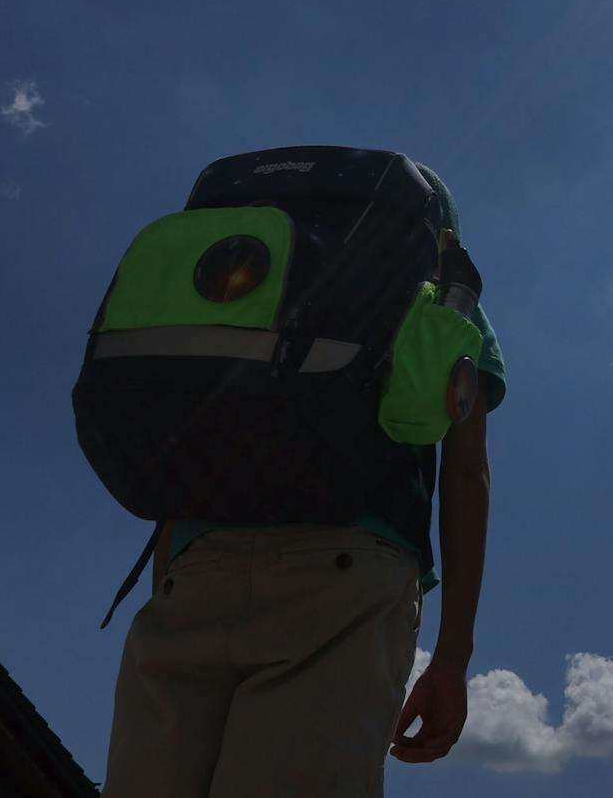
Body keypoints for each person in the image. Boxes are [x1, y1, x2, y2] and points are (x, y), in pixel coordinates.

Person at [103, 163, 503, 796]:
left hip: (192, 575)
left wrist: (174, 582)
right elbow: (466, 469)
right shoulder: (435, 299)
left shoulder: (227, 284)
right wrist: (452, 658)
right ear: (437, 238)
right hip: (345, 574)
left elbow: (183, 440)